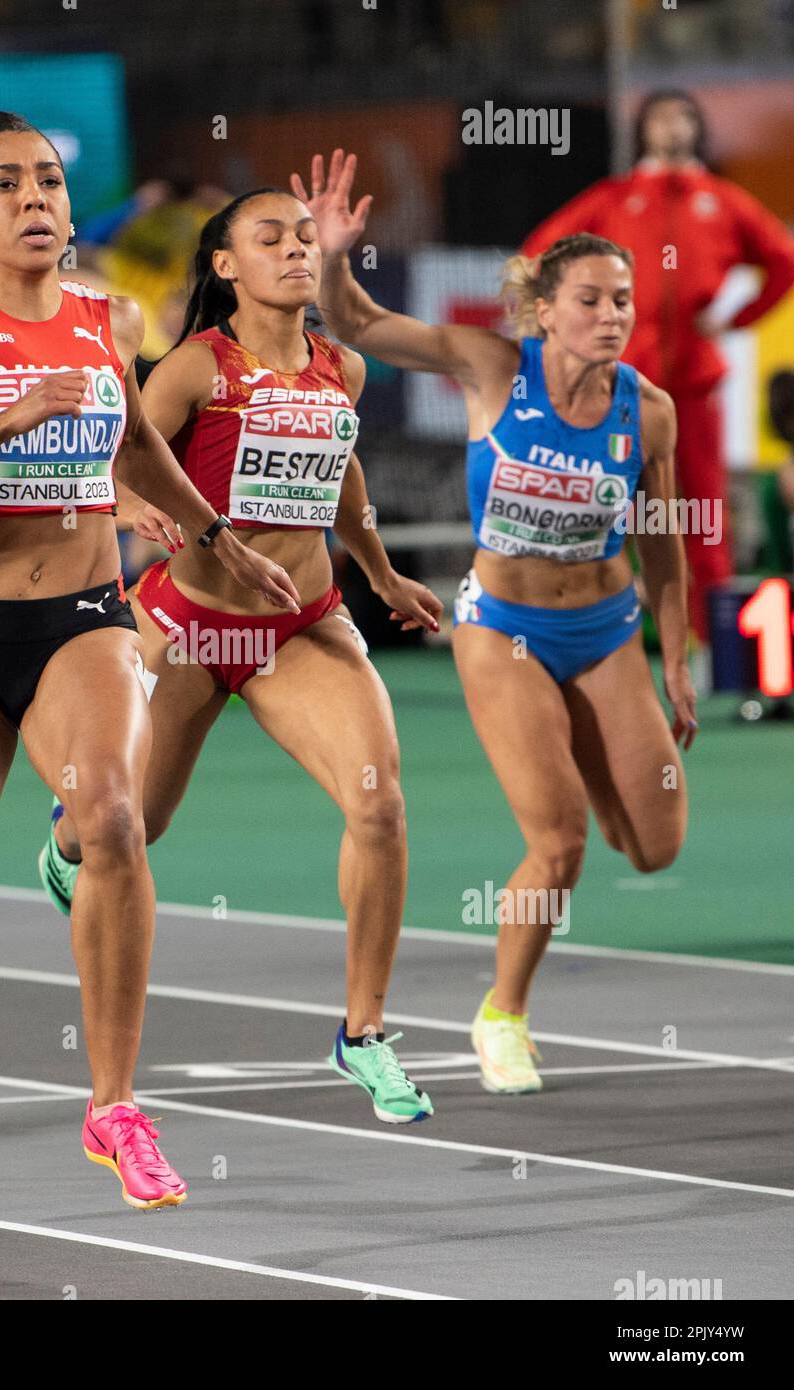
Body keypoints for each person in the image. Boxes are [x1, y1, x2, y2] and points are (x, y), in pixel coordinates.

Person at [0, 112, 300, 1210]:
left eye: (47, 182)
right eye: (4, 184)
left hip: (85, 617)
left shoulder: (109, 316)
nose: (32, 199)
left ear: (72, 210)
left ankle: (114, 1106)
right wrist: (4, 421)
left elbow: (138, 444)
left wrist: (220, 541)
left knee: (116, 820)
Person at [39, 187, 444, 1124]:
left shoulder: (340, 369)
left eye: (305, 236)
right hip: (188, 623)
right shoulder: (194, 367)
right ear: (226, 265)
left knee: (379, 806)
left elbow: (340, 471)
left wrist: (378, 573)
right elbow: (113, 446)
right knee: (133, 825)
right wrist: (119, 503)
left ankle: (364, 1034)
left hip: (301, 624)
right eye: (271, 238)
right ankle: (63, 843)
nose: (296, 250)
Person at [297, 150, 696, 1093]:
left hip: (602, 627)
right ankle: (503, 1015)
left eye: (624, 301)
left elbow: (666, 550)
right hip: (501, 625)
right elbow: (355, 324)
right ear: (543, 310)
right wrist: (334, 256)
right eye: (591, 300)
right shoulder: (487, 368)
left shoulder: (652, 414)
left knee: (653, 845)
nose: (611, 317)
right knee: (555, 838)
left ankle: (591, 764)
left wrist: (673, 663)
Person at [521, 90, 794, 646]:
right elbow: (539, 255)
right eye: (663, 117)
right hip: (617, 385)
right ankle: (597, 629)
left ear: (698, 130)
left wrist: (738, 318)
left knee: (701, 512)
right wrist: (566, 334)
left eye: (685, 117)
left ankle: (713, 641)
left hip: (694, 388)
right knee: (604, 505)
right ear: (645, 129)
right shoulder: (616, 198)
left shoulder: (722, 200)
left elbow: (784, 262)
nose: (674, 127)